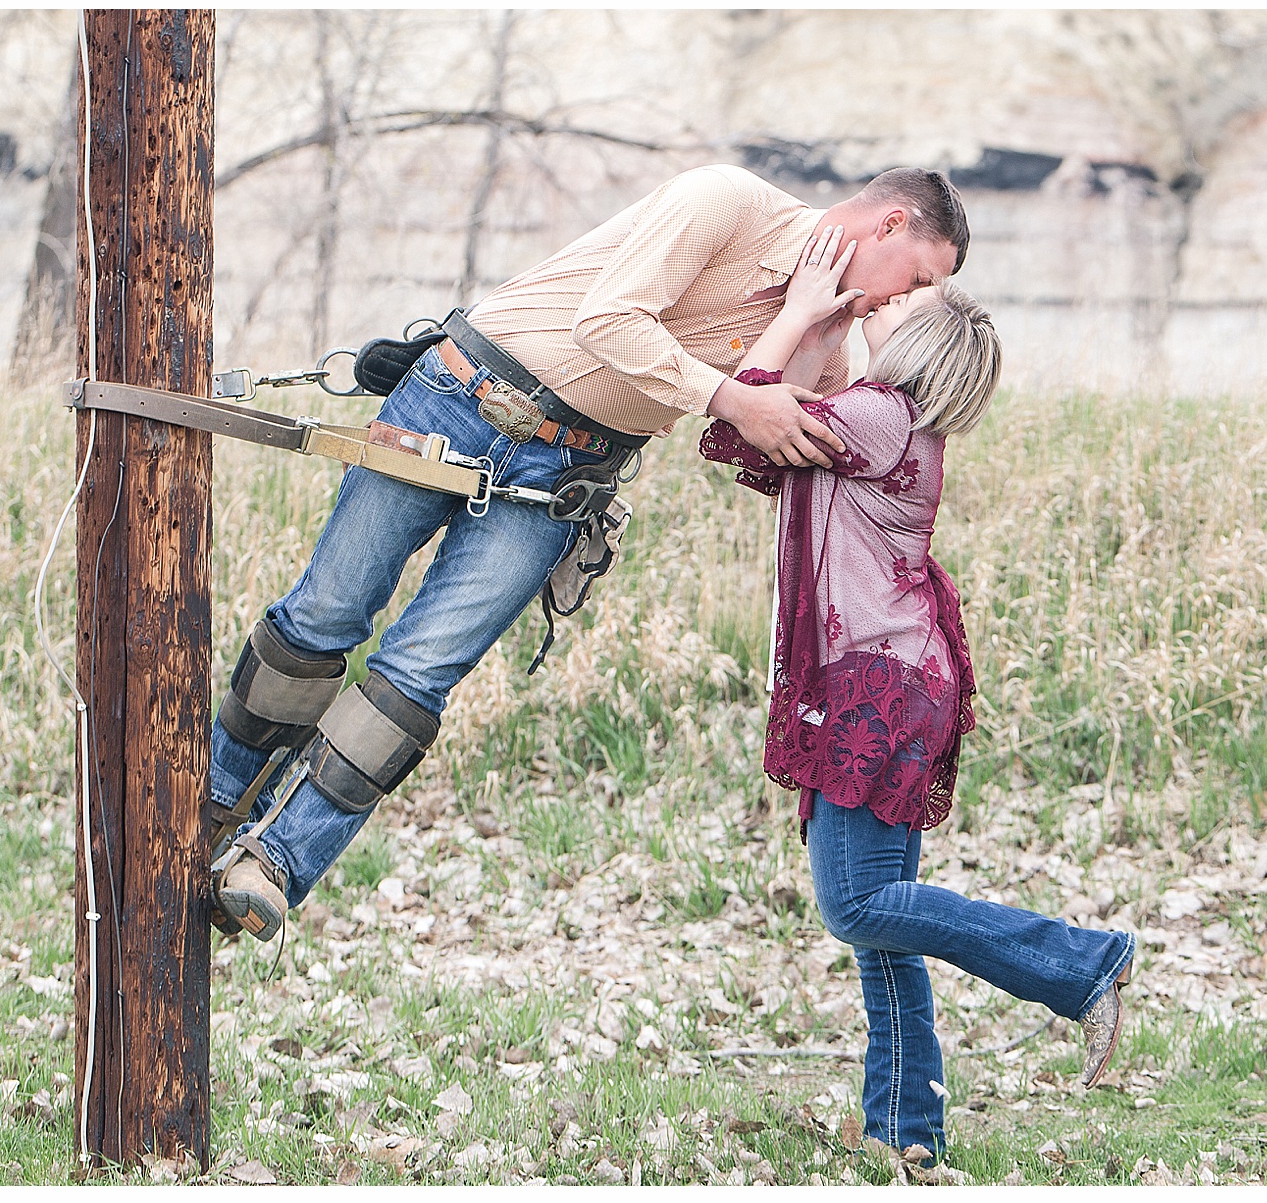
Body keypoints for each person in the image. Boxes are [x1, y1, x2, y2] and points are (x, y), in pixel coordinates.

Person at [209, 163, 972, 943]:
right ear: (889, 224)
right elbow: (608, 321)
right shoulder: (730, 202)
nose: (898, 304)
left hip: (568, 474)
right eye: (914, 279)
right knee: (323, 617)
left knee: (417, 677)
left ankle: (272, 863)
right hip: (463, 397)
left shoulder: (831, 340)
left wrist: (815, 335)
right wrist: (733, 394)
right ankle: (210, 804)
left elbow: (749, 440)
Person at [698, 236, 1135, 1165]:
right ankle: (908, 1132)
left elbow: (735, 422)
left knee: (858, 904)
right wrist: (822, 323)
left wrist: (797, 314)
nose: (895, 300)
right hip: (887, 680)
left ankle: (1078, 963)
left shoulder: (884, 417)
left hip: (875, 687)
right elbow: (782, 427)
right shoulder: (875, 421)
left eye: (913, 305)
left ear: (924, 350)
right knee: (882, 916)